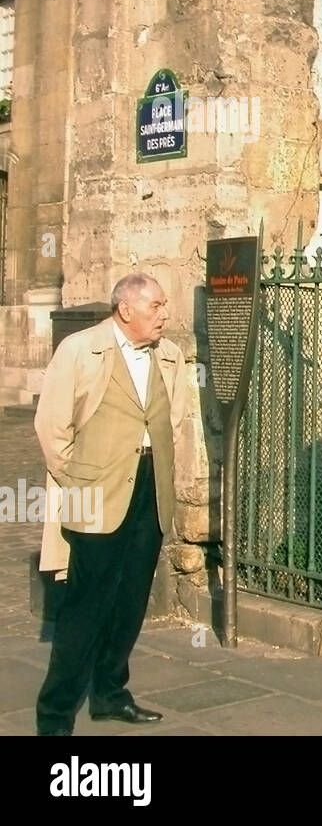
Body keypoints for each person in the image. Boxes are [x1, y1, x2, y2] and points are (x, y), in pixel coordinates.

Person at [34, 274, 189, 735]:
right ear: (125, 309)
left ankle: (109, 694)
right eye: (156, 306)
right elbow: (51, 426)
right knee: (86, 605)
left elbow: (174, 416)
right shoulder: (81, 350)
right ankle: (56, 715)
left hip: (148, 488)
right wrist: (76, 480)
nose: (165, 314)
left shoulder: (170, 355)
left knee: (129, 602)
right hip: (94, 490)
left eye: (164, 305)